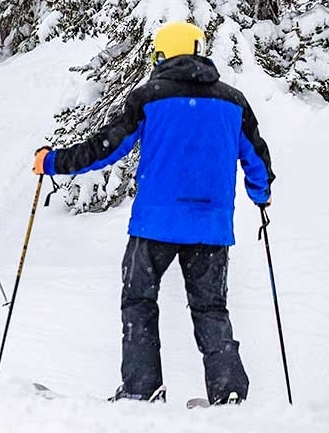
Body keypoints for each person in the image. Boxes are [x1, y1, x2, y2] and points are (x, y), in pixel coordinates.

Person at [32, 21, 274, 404]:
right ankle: (228, 393)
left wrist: (53, 162)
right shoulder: (233, 101)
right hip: (210, 227)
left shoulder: (149, 97)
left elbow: (106, 147)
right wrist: (261, 196)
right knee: (211, 308)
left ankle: (142, 388)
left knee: (139, 301)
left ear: (161, 54)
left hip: (155, 224)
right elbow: (256, 156)